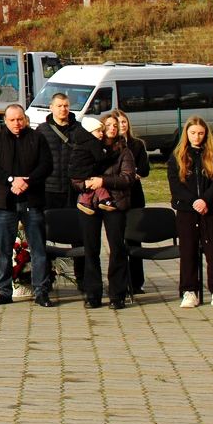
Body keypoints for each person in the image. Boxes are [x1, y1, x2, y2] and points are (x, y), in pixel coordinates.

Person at [0, 104, 53, 307]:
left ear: (25, 119)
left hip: (32, 201)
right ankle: (4, 291)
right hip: (6, 202)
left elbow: (47, 165)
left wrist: (27, 181)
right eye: (12, 120)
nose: (17, 123)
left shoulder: (37, 138)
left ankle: (41, 291)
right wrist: (11, 180)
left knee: (38, 249)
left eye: (20, 119)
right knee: (4, 250)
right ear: (5, 120)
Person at [70, 113, 135, 309]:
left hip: (114, 203)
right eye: (108, 125)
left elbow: (127, 178)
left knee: (117, 248)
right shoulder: (86, 148)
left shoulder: (124, 152)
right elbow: (75, 176)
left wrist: (103, 181)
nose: (112, 128)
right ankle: (93, 294)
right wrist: (87, 185)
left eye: (116, 125)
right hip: (89, 204)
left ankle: (117, 294)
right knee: (91, 249)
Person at [168, 116, 213, 309]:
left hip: (211, 209)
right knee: (188, 250)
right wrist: (194, 201)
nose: (196, 137)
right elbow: (175, 184)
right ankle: (189, 291)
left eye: (200, 133)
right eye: (193, 133)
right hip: (187, 210)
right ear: (186, 134)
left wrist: (205, 199)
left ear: (205, 134)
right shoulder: (177, 157)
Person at [36, 92, 83, 284]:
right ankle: (46, 279)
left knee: (79, 236)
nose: (63, 109)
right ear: (51, 108)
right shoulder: (42, 130)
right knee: (44, 236)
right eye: (59, 106)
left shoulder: (79, 130)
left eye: (66, 106)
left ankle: (83, 279)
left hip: (73, 190)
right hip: (49, 190)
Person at [115, 110, 151, 295]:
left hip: (135, 195)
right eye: (118, 122)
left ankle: (137, 282)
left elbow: (145, 169)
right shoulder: (111, 146)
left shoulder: (137, 145)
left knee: (135, 239)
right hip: (117, 196)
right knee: (119, 240)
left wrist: (135, 173)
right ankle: (122, 281)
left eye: (124, 122)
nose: (122, 125)